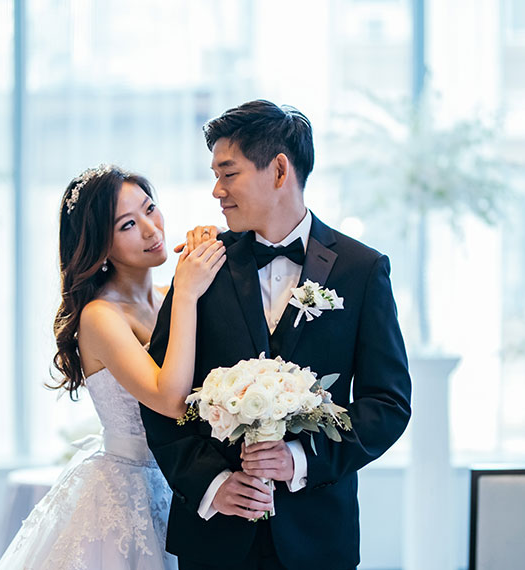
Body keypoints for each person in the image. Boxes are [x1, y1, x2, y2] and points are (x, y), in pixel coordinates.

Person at [139, 100, 413, 570]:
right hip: (215, 541)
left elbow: (387, 404)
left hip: (319, 538)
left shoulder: (361, 269)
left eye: (228, 173)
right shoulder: (201, 265)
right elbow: (163, 402)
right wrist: (211, 484)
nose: (216, 191)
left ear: (280, 170)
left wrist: (301, 459)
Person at [0, 164, 227, 570]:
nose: (152, 230)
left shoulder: (168, 294)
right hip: (121, 496)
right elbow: (170, 400)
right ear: (99, 245)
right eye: (127, 225)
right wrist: (188, 292)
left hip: (182, 484)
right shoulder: (100, 316)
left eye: (150, 208)